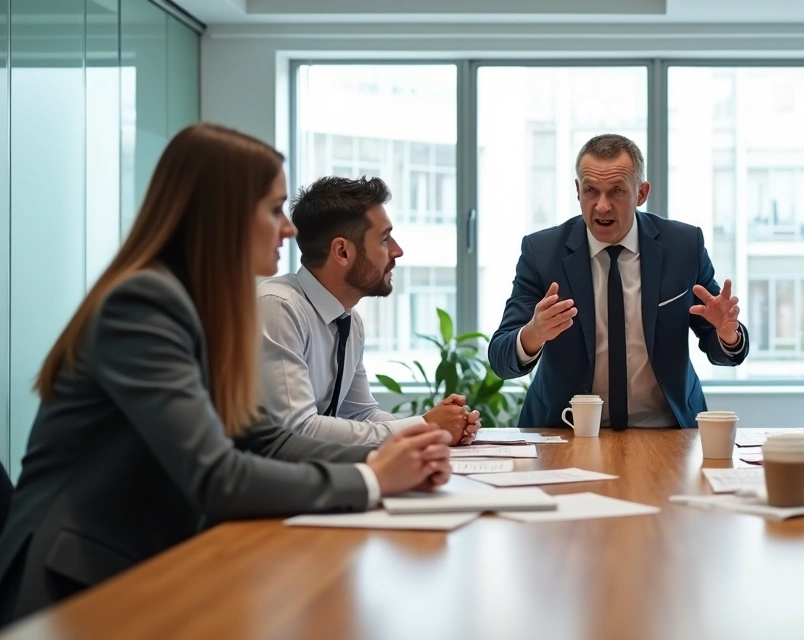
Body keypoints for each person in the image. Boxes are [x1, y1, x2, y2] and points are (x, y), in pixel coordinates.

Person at [0, 124, 453, 623]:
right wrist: (372, 478)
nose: (289, 229)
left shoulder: (211, 306)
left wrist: (395, 456)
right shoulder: (144, 303)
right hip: (77, 580)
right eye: (273, 209)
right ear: (224, 214)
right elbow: (215, 475)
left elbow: (268, 439)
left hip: (153, 560)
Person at [488, 133, 749, 429]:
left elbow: (723, 350)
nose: (601, 206)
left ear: (641, 193)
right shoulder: (542, 253)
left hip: (667, 431)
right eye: (591, 190)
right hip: (566, 431)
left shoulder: (683, 247)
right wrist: (533, 333)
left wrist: (728, 333)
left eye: (616, 191)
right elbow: (500, 359)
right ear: (577, 190)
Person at [258, 176, 480, 446]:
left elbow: (361, 413)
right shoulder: (279, 308)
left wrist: (434, 429)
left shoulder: (349, 319)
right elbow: (297, 430)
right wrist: (424, 426)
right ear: (342, 252)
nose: (397, 251)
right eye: (385, 239)